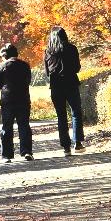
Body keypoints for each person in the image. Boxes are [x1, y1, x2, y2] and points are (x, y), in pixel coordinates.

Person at [44, 26, 83, 156]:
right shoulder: (72, 49)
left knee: (61, 116)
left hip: (56, 86)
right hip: (71, 83)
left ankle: (66, 147)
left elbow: (47, 72)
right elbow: (77, 68)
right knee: (76, 112)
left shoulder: (48, 52)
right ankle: (78, 143)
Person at [0, 43, 33, 163]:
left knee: (7, 126)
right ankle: (27, 152)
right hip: (23, 98)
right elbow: (28, 81)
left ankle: (7, 155)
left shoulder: (1, 66)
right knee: (24, 125)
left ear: (4, 55)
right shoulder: (25, 65)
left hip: (7, 100)